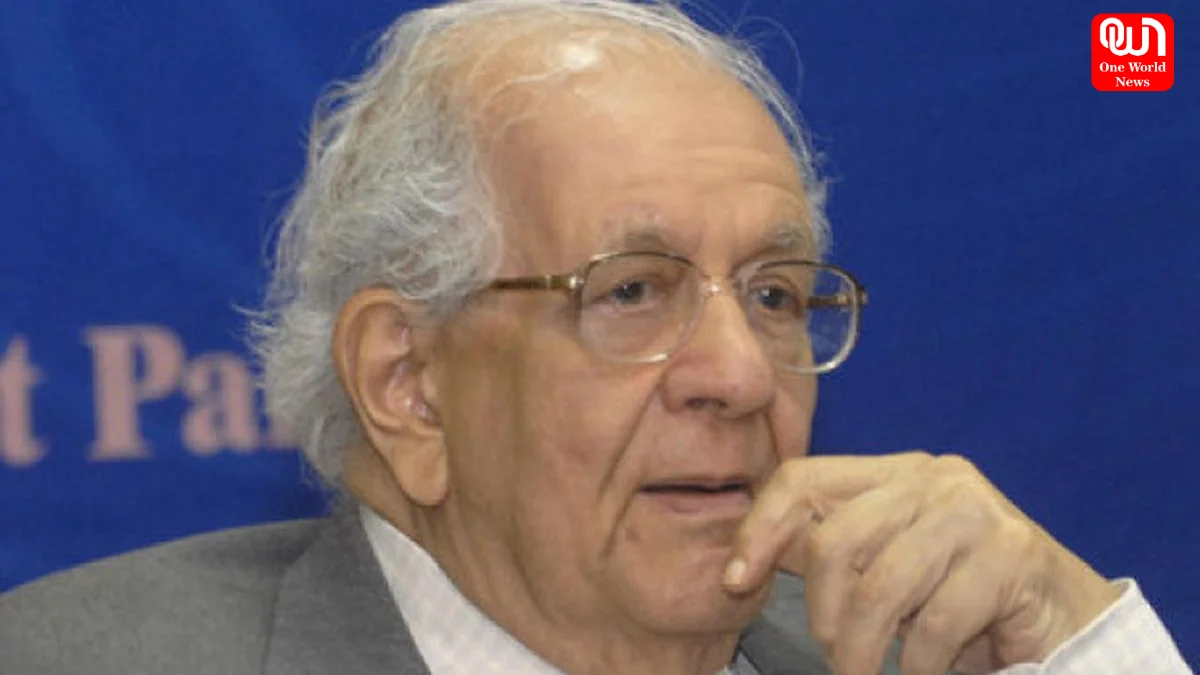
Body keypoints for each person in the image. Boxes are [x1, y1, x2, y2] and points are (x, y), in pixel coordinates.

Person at [0, 1, 1190, 673]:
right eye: (631, 292)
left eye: (775, 295)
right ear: (408, 383)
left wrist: (1079, 645)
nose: (739, 375)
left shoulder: (926, 655)